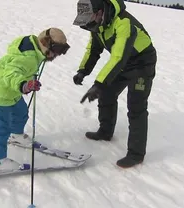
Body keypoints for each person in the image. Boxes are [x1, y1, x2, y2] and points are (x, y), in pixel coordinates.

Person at [72, 0, 157, 168]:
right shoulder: (98, 25)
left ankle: (136, 154)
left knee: (136, 108)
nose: (89, 21)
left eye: (90, 17)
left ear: (100, 11)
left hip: (142, 65)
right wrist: (83, 71)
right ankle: (105, 131)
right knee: (107, 94)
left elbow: (118, 57)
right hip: (123, 63)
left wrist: (99, 84)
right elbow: (93, 50)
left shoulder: (124, 23)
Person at [0, 28, 70, 172]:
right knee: (0, 128)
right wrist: (24, 84)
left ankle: (17, 135)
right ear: (46, 44)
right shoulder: (27, 58)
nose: (57, 55)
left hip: (12, 92)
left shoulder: (34, 50)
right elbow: (11, 73)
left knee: (21, 112)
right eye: (57, 50)